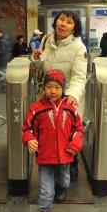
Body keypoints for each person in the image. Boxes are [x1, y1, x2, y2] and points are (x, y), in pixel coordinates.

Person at [22, 69, 84, 212]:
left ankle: (62, 187)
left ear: (63, 88)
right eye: (49, 87)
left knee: (64, 181)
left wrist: (75, 144)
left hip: (65, 157)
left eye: (57, 87)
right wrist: (29, 140)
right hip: (45, 159)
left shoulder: (70, 109)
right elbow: (28, 128)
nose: (52, 91)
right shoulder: (36, 110)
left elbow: (78, 129)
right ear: (43, 88)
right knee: (46, 192)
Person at [32, 10, 87, 182]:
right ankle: (49, 170)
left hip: (68, 98)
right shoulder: (46, 40)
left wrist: (71, 95)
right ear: (55, 22)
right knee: (49, 134)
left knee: (68, 135)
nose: (63, 24)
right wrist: (36, 59)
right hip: (48, 95)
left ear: (74, 28)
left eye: (69, 22)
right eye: (61, 20)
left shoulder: (79, 48)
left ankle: (71, 168)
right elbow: (42, 65)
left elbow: (79, 76)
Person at [0, 28, 11, 93]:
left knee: (2, 74)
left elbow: (1, 52)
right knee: (4, 74)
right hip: (5, 59)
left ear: (1, 33)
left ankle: (4, 88)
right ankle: (5, 88)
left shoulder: (1, 41)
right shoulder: (4, 40)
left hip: (2, 60)